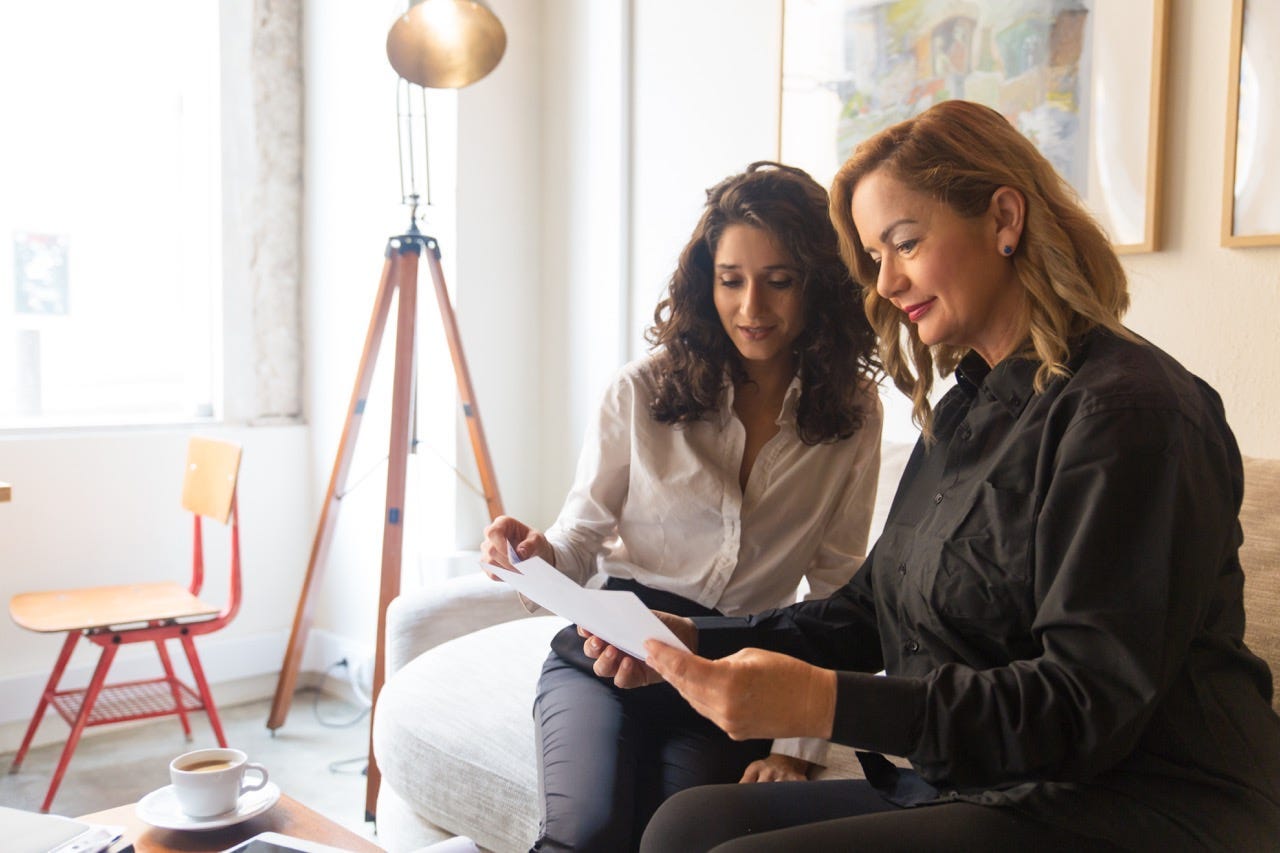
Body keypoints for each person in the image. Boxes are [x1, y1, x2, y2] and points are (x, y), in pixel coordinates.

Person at [587, 100, 1280, 852]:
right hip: (991, 783)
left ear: (1004, 219)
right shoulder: (965, 410)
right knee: (688, 824)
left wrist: (824, 703)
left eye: (904, 244)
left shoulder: (1135, 415)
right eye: (874, 258)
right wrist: (697, 637)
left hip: (1140, 801)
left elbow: (1083, 704)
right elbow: (869, 611)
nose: (885, 283)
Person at [479, 161, 883, 852]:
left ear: (820, 283)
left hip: (729, 672)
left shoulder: (853, 414)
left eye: (779, 280)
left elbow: (839, 587)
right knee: (590, 831)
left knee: (673, 837)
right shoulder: (640, 391)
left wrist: (796, 744)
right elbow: (581, 537)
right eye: (732, 280)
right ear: (707, 281)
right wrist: (536, 553)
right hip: (608, 651)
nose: (752, 307)